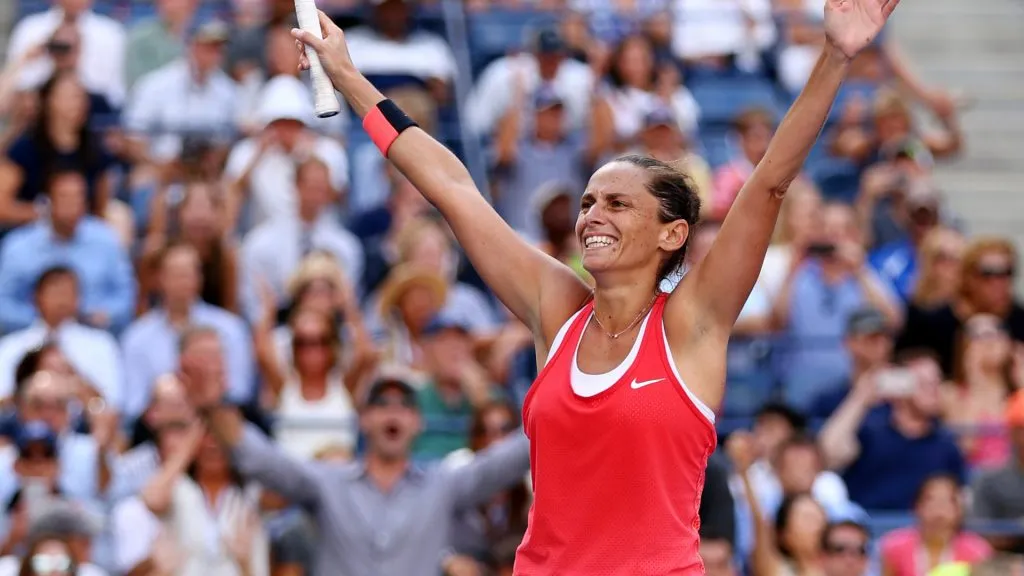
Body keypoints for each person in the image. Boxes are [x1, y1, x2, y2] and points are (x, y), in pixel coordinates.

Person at [291, 0, 900, 570]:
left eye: (617, 203)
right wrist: (349, 79)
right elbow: (452, 189)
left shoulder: (693, 321)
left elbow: (769, 182)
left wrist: (834, 57)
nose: (591, 216)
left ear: (672, 233)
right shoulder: (556, 307)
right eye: (587, 202)